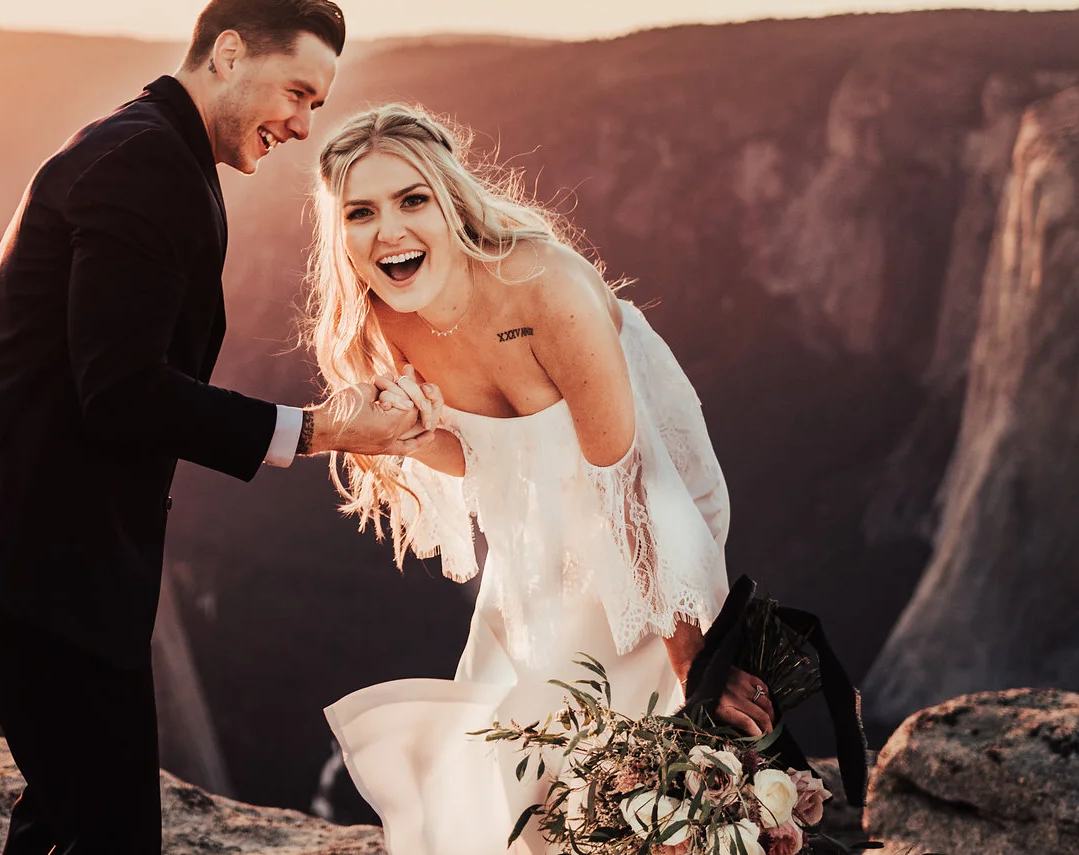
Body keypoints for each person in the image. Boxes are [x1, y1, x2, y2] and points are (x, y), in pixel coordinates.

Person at [0, 0, 428, 855]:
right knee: (110, 828)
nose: (302, 125)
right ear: (227, 54)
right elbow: (123, 389)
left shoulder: (153, 149)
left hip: (40, 550)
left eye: (317, 103)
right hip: (26, 556)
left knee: (70, 809)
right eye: (297, 93)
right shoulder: (143, 165)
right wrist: (325, 429)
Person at [308, 104, 770, 855]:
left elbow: (635, 489)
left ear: (452, 200)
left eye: (412, 199)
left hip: (652, 511)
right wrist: (421, 440)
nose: (388, 230)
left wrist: (697, 664)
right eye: (361, 211)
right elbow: (496, 454)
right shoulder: (387, 316)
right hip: (540, 531)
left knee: (648, 740)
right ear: (341, 233)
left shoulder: (545, 287)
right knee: (520, 740)